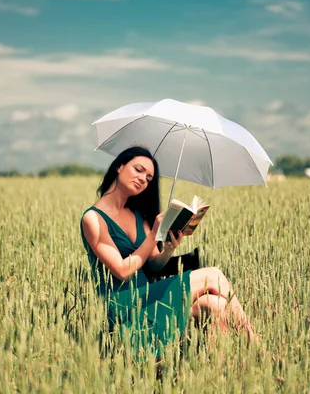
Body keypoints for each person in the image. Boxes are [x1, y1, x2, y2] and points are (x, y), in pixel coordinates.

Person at [80, 146, 256, 357]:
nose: (143, 179)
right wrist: (154, 234)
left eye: (149, 177)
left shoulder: (137, 215)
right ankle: (259, 350)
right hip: (122, 304)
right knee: (214, 275)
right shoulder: (93, 218)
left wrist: (170, 248)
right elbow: (121, 271)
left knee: (214, 305)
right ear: (119, 166)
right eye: (138, 169)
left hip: (148, 296)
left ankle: (220, 374)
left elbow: (153, 264)